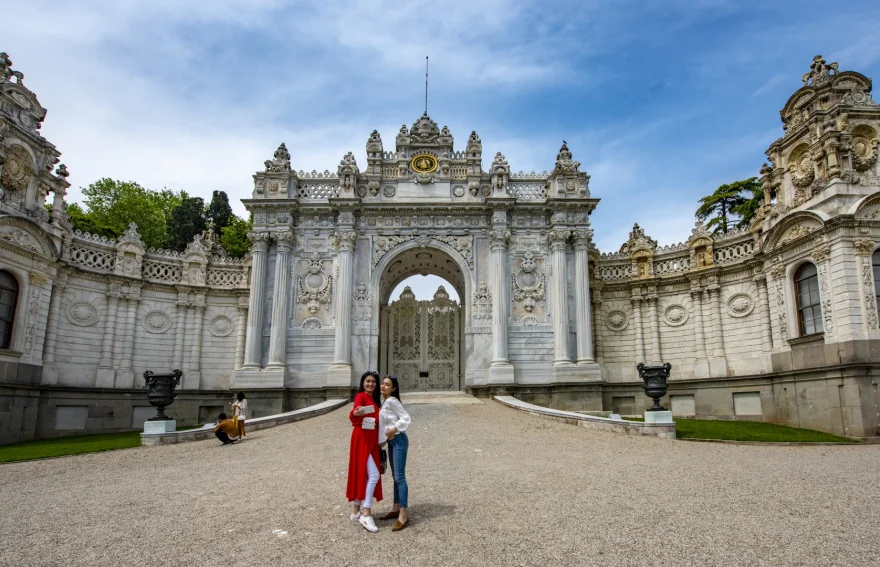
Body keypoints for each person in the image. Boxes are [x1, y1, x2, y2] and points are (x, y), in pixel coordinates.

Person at [346, 371, 383, 532]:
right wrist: (355, 413)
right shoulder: (360, 396)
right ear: (363, 383)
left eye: (373, 382)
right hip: (362, 439)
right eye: (368, 381)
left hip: (370, 441)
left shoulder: (374, 400)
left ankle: (356, 511)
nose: (370, 384)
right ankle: (366, 513)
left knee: (362, 472)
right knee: (373, 475)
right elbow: (355, 413)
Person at [378, 375, 411, 531]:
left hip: (398, 440)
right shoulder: (384, 402)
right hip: (392, 441)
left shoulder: (392, 401)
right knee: (395, 476)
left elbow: (406, 417)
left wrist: (394, 429)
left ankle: (403, 515)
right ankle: (396, 507)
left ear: (393, 388)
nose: (383, 386)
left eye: (387, 384)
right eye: (382, 383)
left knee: (400, 477)